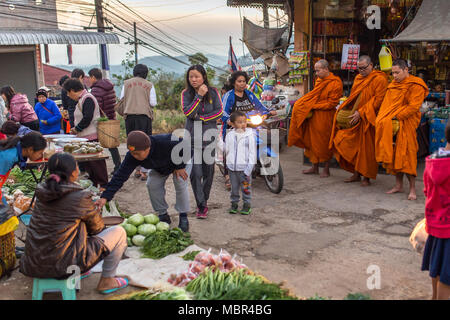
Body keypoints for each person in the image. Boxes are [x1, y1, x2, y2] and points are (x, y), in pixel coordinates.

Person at [19, 152, 129, 294]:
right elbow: (97, 228)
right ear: (73, 172)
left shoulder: (42, 191)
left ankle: (80, 272)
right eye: (77, 166)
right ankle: (107, 281)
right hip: (64, 264)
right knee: (119, 233)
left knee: (76, 226)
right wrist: (91, 210)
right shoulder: (79, 196)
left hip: (34, 261)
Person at [96, 131, 191, 232]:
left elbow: (187, 147)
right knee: (152, 184)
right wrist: (105, 197)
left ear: (148, 148)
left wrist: (180, 166)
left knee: (180, 182)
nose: (134, 156)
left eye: (137, 154)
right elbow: (119, 176)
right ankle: (163, 214)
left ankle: (183, 215)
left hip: (180, 160)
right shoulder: (132, 156)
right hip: (160, 167)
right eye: (132, 153)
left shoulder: (164, 142)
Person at [329, 56, 388, 186]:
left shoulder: (380, 79)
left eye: (364, 68)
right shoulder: (358, 79)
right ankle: (356, 174)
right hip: (355, 117)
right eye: (359, 68)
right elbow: (354, 97)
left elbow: (378, 100)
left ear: (371, 65)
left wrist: (361, 113)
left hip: (369, 118)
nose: (361, 71)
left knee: (366, 149)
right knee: (348, 143)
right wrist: (346, 109)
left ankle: (366, 177)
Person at [375, 59, 429, 200]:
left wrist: (396, 116)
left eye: (397, 72)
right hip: (392, 124)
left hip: (406, 124)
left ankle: (412, 188)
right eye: (393, 73)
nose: (394, 76)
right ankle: (398, 185)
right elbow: (386, 105)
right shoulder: (393, 85)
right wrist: (385, 118)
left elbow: (413, 107)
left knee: (408, 156)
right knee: (394, 155)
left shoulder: (416, 84)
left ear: (406, 70)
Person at [287, 59, 343, 178]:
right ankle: (315, 167)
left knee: (324, 142)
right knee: (312, 141)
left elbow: (331, 103)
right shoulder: (319, 80)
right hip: (314, 116)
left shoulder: (335, 83)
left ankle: (326, 169)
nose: (316, 73)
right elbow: (314, 96)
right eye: (315, 70)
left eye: (318, 70)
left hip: (326, 117)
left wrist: (313, 106)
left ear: (326, 69)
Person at [221, 71, 275, 190]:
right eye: (239, 81)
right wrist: (229, 119)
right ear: (234, 83)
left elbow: (260, 107)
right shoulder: (229, 96)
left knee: (264, 138)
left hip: (251, 125)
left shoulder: (249, 94)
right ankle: (227, 176)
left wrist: (268, 112)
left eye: (244, 81)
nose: (242, 84)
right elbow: (223, 112)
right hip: (234, 127)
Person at [181, 65, 223, 219]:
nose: (193, 79)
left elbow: (219, 111)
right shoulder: (186, 93)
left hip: (209, 138)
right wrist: (198, 96)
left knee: (208, 172)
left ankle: (203, 200)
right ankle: (201, 205)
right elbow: (188, 112)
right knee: (195, 173)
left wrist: (203, 118)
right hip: (192, 140)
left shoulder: (213, 92)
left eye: (196, 76)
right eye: (191, 76)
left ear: (203, 77)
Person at [421, 122, 450, 300]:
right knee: (448, 278)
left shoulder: (433, 159)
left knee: (437, 269)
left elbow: (426, 190)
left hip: (436, 225)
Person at [63, 78, 108, 189]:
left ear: (73, 90)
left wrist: (77, 128)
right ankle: (94, 184)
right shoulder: (82, 98)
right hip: (84, 137)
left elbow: (88, 117)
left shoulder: (88, 98)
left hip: (91, 136)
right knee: (90, 163)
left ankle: (103, 185)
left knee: (96, 162)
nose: (68, 95)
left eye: (68, 92)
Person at [120, 64, 157, 181]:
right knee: (145, 143)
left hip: (130, 117)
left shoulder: (126, 83)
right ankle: (145, 172)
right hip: (144, 117)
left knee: (133, 143)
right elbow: (153, 103)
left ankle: (136, 169)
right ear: (146, 73)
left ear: (134, 72)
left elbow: (121, 98)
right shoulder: (149, 85)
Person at [88, 68, 122, 175]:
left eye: (90, 77)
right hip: (111, 117)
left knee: (97, 145)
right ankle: (118, 166)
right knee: (112, 144)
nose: (89, 80)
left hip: (102, 121)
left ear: (93, 77)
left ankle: (98, 170)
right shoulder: (109, 86)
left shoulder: (96, 90)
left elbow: (96, 107)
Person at [225, 111, 256, 215]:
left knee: (246, 188)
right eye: (239, 122)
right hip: (232, 169)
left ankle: (247, 205)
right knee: (234, 188)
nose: (243, 124)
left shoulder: (249, 135)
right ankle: (234, 204)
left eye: (244, 122)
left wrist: (248, 170)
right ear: (233, 124)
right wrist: (218, 142)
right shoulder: (229, 135)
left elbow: (252, 153)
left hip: (244, 169)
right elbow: (226, 150)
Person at [0, 131, 47, 202]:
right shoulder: (8, 157)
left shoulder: (16, 150)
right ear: (30, 150)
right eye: (40, 153)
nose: (41, 156)